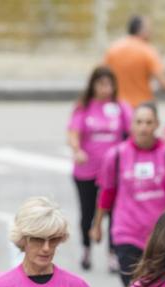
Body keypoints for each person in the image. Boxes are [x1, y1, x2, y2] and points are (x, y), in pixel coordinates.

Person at [92, 102, 165, 287]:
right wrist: (97, 225)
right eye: (139, 122)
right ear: (131, 125)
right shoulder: (116, 155)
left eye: (148, 122)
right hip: (127, 232)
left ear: (157, 125)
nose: (144, 128)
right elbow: (107, 193)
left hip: (159, 236)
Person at [67, 67, 132, 272]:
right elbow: (73, 132)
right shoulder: (84, 107)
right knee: (87, 213)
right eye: (101, 84)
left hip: (114, 173)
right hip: (87, 171)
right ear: (93, 85)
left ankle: (112, 253)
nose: (105, 89)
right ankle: (86, 249)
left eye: (109, 84)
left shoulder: (121, 108)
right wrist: (77, 150)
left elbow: (132, 133)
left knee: (114, 213)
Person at [103, 14, 165, 107]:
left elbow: (101, 76)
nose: (152, 32)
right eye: (149, 28)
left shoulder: (113, 49)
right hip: (142, 107)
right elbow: (163, 83)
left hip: (117, 106)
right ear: (143, 31)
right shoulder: (148, 51)